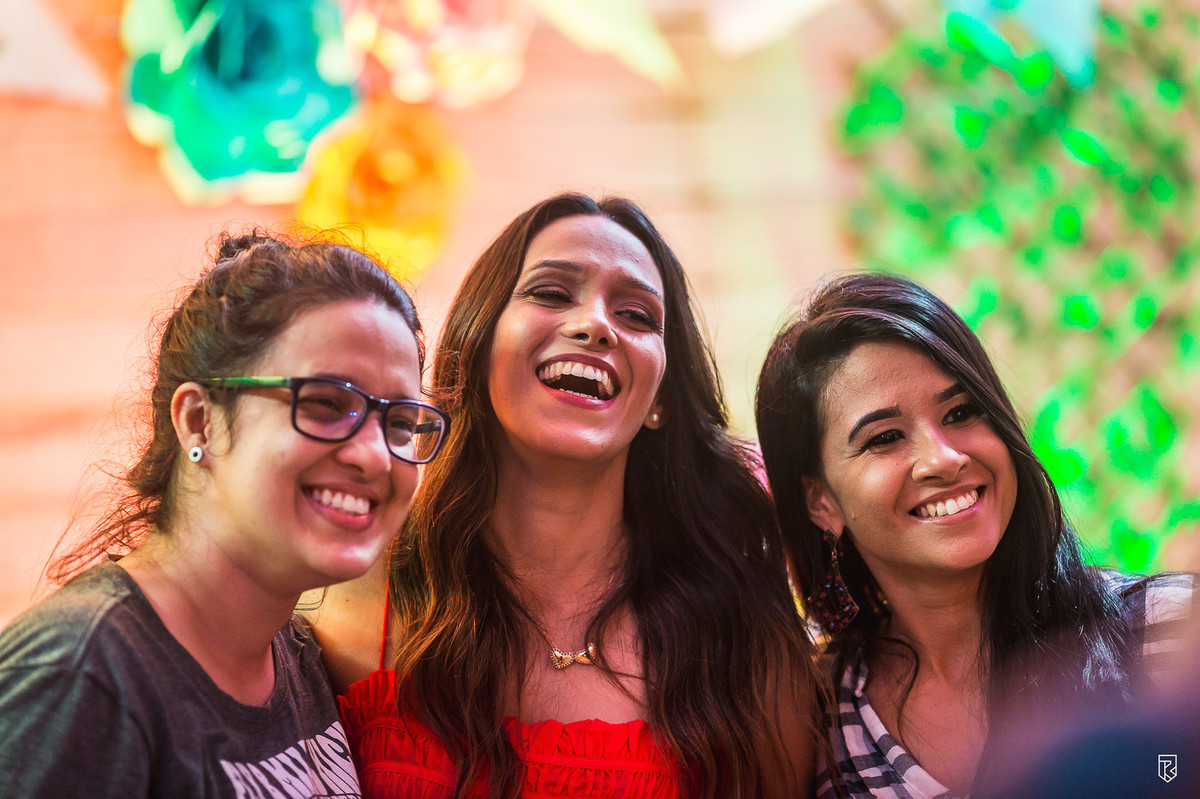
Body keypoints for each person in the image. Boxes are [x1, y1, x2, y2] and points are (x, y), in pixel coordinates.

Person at [308, 193, 824, 799]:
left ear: (659, 398)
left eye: (636, 315)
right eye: (551, 293)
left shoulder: (744, 638)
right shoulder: (345, 592)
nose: (594, 325)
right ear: (479, 347)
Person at [0, 232, 448, 798]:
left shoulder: (297, 659)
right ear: (199, 421)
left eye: (400, 423)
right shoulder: (79, 677)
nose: (376, 455)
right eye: (327, 404)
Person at [754, 272, 1196, 799]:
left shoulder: (1165, 629)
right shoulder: (814, 721)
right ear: (820, 502)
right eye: (885, 438)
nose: (945, 458)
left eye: (962, 412)